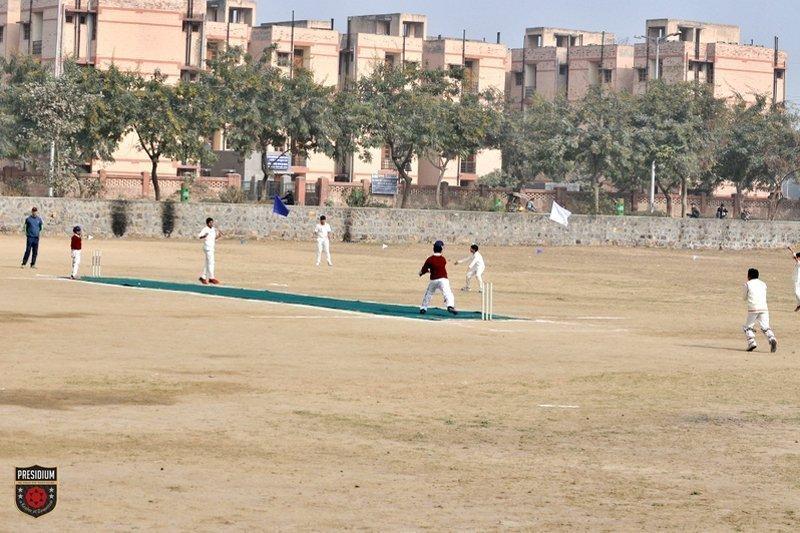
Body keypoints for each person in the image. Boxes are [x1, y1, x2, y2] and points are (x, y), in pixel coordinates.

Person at [742, 268, 777, 353]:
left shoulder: (747, 284)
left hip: (753, 308)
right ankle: (772, 338)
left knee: (747, 327)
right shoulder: (763, 284)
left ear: (748, 276)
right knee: (765, 327)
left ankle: (751, 342)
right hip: (764, 307)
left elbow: (744, 297)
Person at [419, 240, 457, 316]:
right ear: (441, 249)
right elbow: (438, 266)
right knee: (448, 293)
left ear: (434, 248)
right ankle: (450, 305)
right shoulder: (443, 259)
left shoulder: (430, 259)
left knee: (429, 294)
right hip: (443, 279)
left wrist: (421, 273)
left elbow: (425, 269)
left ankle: (423, 308)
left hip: (433, 280)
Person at [198, 217, 221, 285]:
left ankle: (203, 277)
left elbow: (213, 238)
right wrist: (204, 236)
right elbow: (199, 236)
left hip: (211, 247)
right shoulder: (205, 229)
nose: (212, 224)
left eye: (212, 222)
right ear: (207, 223)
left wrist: (218, 236)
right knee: (211, 263)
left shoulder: (213, 229)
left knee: (207, 263)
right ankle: (211, 278)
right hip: (207, 248)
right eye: (210, 222)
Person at [788, 246, 800, 312]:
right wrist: (790, 249)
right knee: (797, 293)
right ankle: (798, 305)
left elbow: (795, 257)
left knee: (796, 292)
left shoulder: (799, 262)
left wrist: (795, 256)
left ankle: (799, 304)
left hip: (797, 280)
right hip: (796, 279)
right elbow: (794, 255)